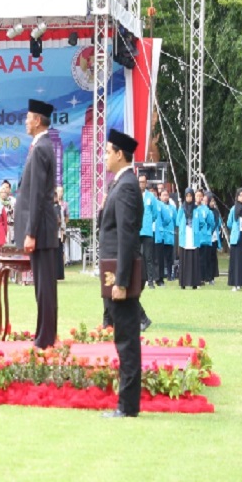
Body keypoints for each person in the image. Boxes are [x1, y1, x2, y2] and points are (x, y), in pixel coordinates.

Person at [98, 129, 145, 418]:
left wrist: (122, 281)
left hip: (120, 276)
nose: (104, 156)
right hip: (113, 274)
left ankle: (127, 407)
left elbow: (127, 237)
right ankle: (126, 405)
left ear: (119, 154)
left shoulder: (126, 185)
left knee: (127, 340)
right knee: (122, 338)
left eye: (107, 152)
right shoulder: (121, 183)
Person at [14, 99, 59, 349]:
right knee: (42, 287)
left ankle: (45, 338)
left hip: (40, 228)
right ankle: (44, 335)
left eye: (28, 117)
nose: (26, 121)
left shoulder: (42, 147)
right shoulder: (39, 146)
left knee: (44, 287)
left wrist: (30, 232)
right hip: (39, 228)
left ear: (38, 120)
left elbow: (38, 195)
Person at [176, 188, 202, 289]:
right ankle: (183, 283)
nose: (189, 198)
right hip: (185, 235)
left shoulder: (196, 209)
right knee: (184, 260)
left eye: (190, 196)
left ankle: (194, 283)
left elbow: (201, 222)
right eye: (187, 196)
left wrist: (194, 228)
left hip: (193, 235)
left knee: (194, 260)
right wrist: (185, 226)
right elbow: (178, 221)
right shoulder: (181, 208)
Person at [138, 175, 157, 288]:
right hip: (137, 231)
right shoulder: (134, 195)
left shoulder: (151, 197)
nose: (141, 184)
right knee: (137, 256)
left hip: (147, 231)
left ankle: (150, 281)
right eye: (140, 182)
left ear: (146, 183)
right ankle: (138, 280)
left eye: (143, 182)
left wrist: (148, 221)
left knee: (148, 256)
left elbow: (155, 213)